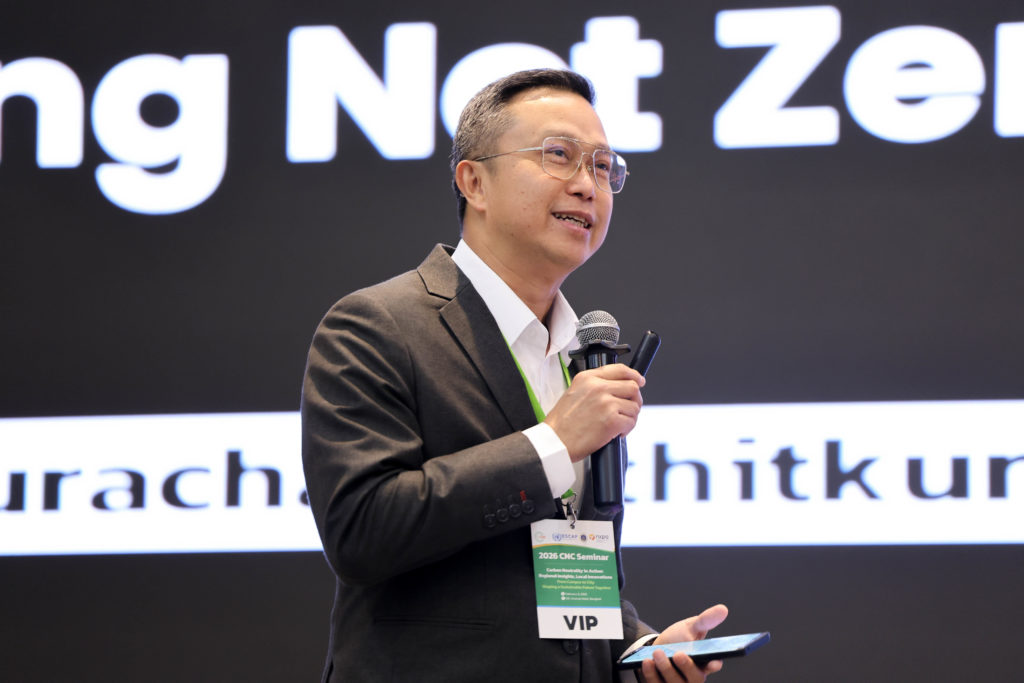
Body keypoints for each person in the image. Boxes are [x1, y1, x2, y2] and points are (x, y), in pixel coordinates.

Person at [301, 68, 728, 682]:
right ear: (473, 181)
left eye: (603, 167)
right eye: (559, 155)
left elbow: (558, 566)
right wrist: (553, 444)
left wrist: (640, 651)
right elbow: (363, 530)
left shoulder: (582, 352)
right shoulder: (377, 325)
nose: (587, 185)